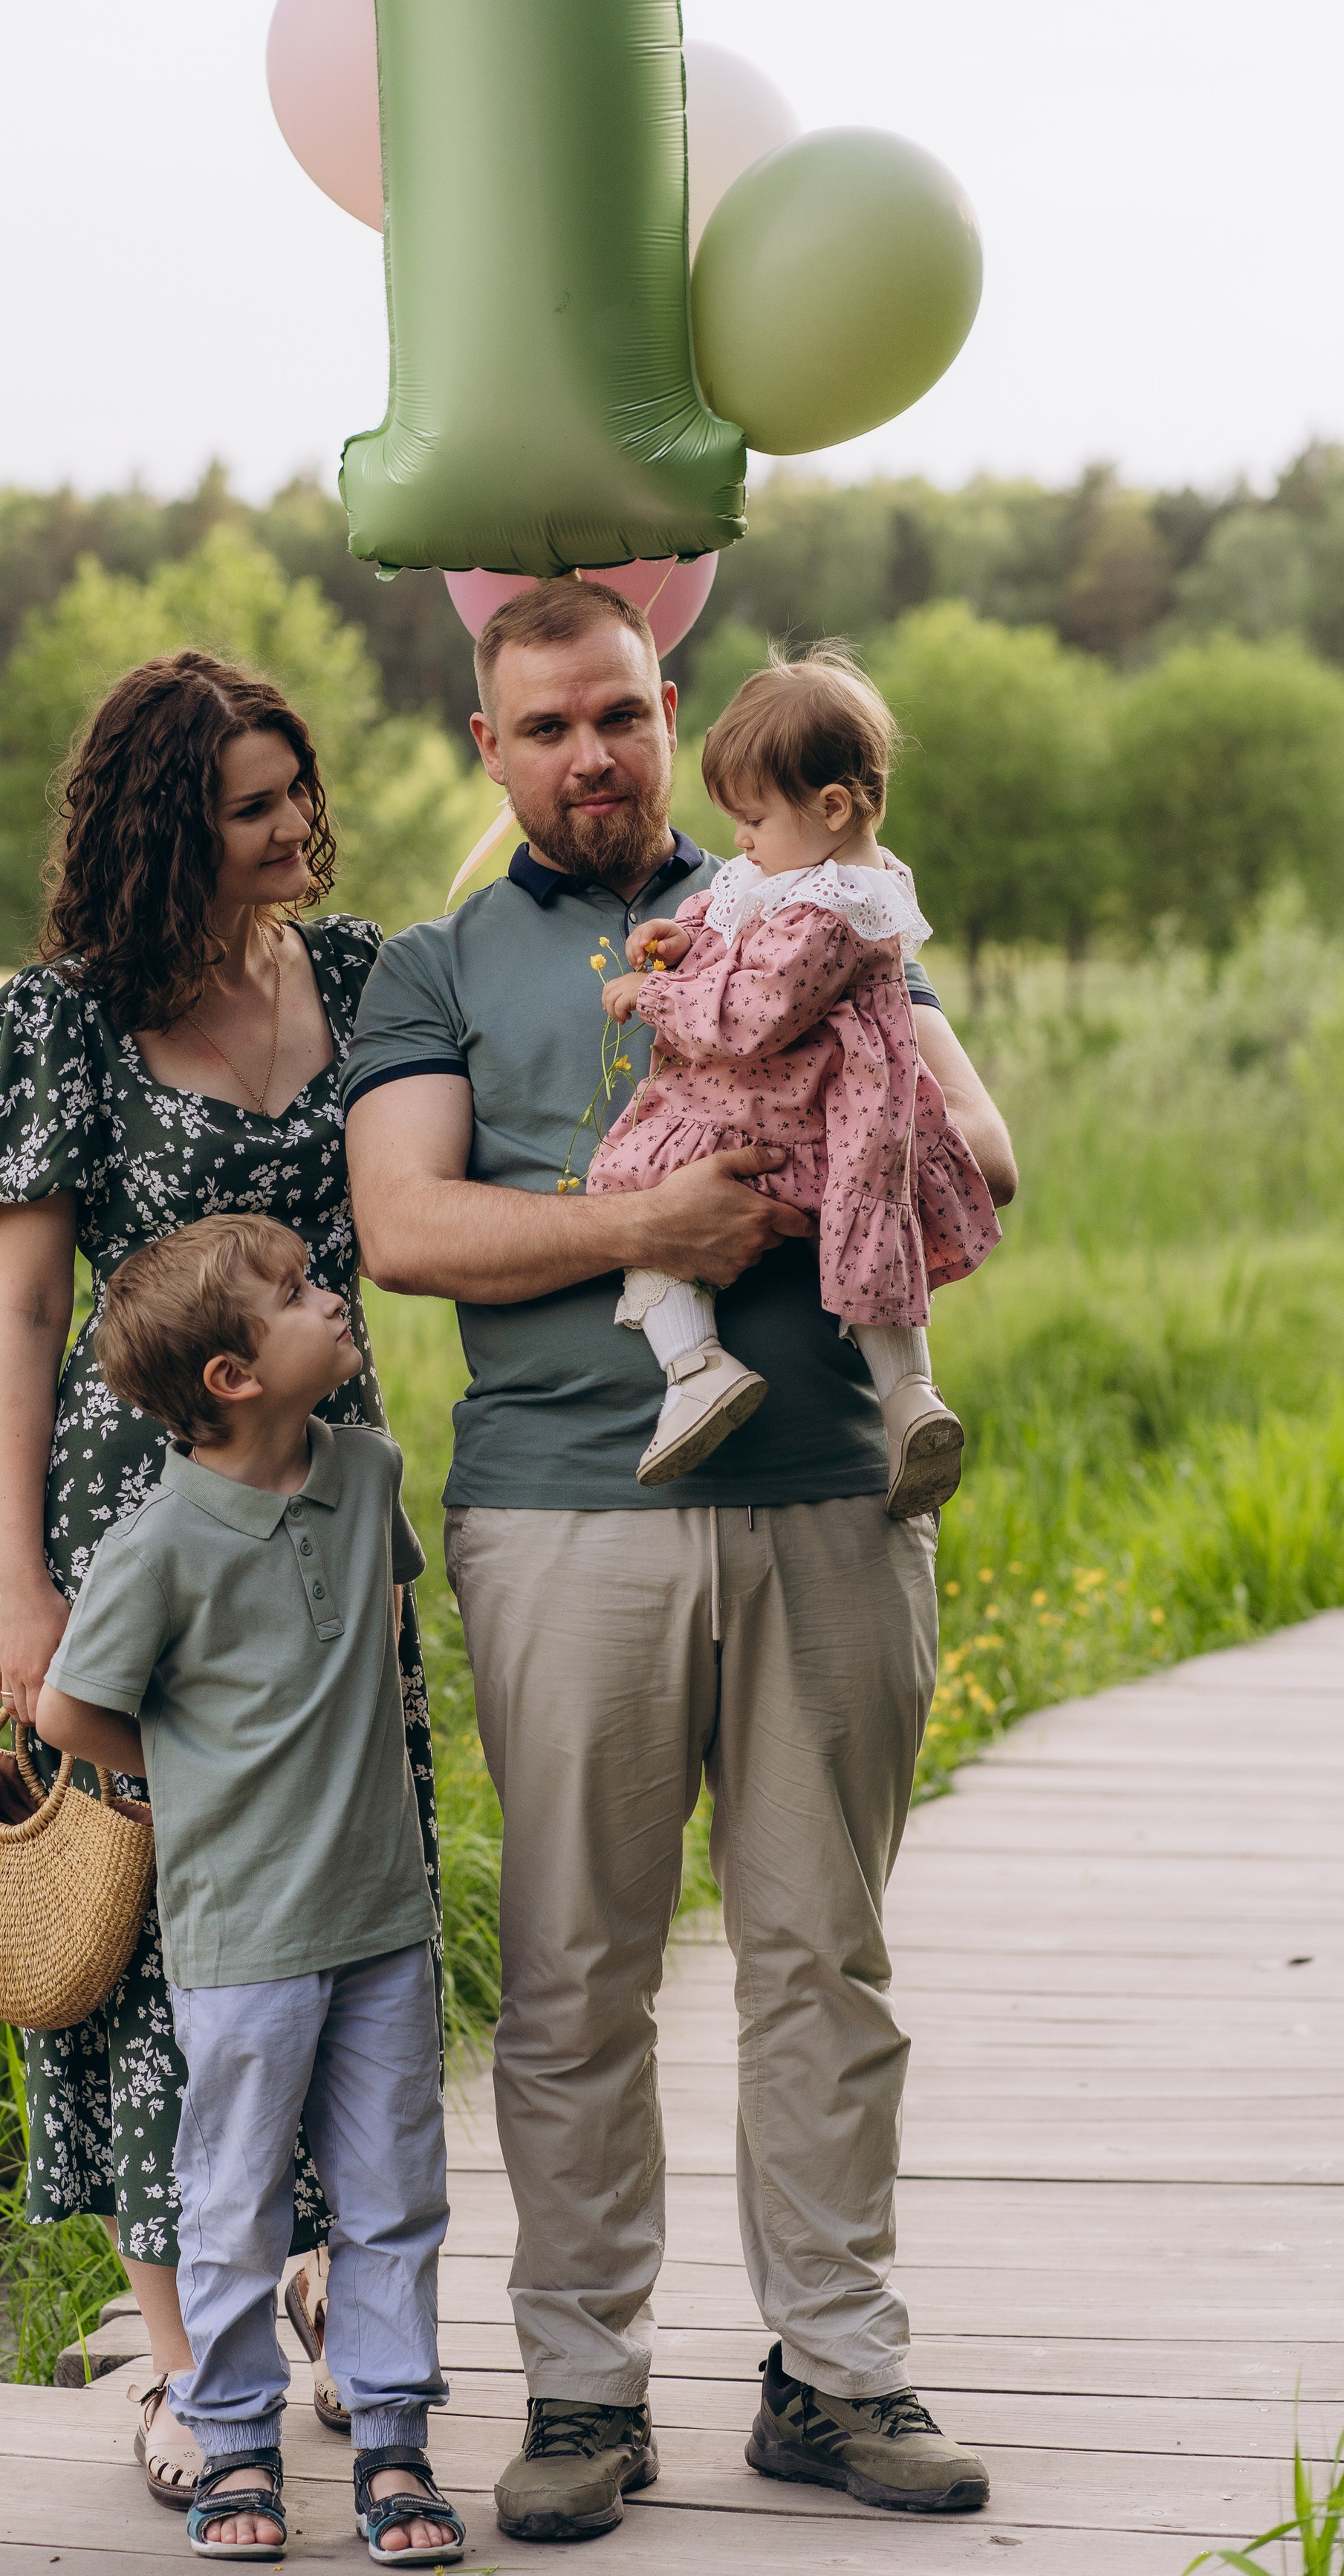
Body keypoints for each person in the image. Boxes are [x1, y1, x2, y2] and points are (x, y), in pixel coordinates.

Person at [343, 577, 1018, 2543]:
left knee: (825, 1961)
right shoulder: (435, 968)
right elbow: (405, 1227)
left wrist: (824, 1138)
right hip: (564, 1516)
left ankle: (836, 2372)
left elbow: (983, 1154)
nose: (592, 756)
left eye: (621, 715)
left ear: (670, 711)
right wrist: (642, 1230)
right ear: (489, 746)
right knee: (574, 1978)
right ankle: (583, 2392)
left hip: (829, 1499)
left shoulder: (812, 901)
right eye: (548, 727)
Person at [0, 653, 441, 2508]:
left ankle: (312, 2285)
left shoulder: (364, 975)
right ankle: (177, 2361)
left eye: (297, 785)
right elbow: (23, 1314)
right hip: (137, 1526)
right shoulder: (61, 1021)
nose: (297, 824)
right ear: (170, 833)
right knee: (158, 1938)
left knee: (340, 1900)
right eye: (252, 806)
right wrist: (24, 1582)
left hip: (331, 1505)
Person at [33, 1214, 464, 2565]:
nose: (333, 1299)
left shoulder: (369, 1469)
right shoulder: (159, 1542)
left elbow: (385, 1614)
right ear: (233, 1376)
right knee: (232, 2203)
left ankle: (393, 2440)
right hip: (243, 1934)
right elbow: (68, 1711)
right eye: (297, 1294)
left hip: (381, 1917)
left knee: (394, 2191)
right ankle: (234, 2445)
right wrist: (187, 1782)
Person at [588, 647, 999, 1504]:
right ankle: (909, 1398)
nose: (737, 841)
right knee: (869, 1239)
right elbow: (741, 914)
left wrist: (655, 994)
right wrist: (686, 936)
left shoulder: (830, 913)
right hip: (852, 1123)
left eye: (752, 818)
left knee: (632, 1182)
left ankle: (694, 1367)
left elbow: (756, 1010)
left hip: (786, 1112)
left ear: (833, 805)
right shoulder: (828, 876)